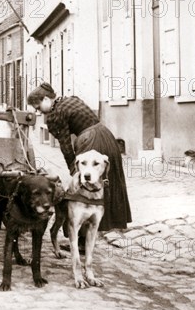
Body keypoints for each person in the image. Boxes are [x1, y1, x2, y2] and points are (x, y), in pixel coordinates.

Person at [27, 82, 132, 245]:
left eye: (38, 107)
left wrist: (74, 170)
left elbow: (66, 146)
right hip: (106, 136)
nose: (37, 111)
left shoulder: (55, 115)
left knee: (82, 192)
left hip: (90, 142)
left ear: (47, 99)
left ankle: (82, 241)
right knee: (106, 184)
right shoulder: (70, 100)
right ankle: (100, 226)